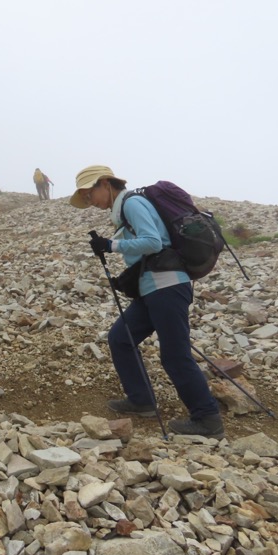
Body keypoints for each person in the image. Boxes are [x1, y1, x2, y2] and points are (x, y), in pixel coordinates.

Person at [70, 165, 224, 438]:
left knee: (175, 355)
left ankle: (207, 418)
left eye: (89, 192)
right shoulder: (124, 209)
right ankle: (141, 400)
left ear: (106, 183)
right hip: (151, 289)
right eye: (84, 196)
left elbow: (153, 242)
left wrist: (111, 246)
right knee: (120, 337)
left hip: (166, 287)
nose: (89, 201)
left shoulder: (132, 203)